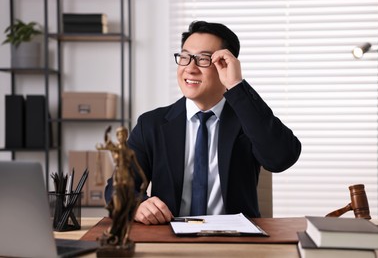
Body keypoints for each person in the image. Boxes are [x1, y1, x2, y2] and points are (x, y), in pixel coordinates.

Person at [104, 20, 301, 225]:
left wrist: (236, 85)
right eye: (185, 57)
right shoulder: (152, 124)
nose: (190, 68)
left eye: (203, 59)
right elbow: (116, 188)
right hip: (169, 238)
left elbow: (281, 158)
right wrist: (136, 204)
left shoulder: (246, 119)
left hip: (237, 242)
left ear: (225, 64)